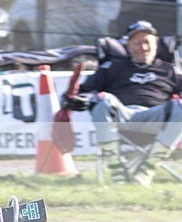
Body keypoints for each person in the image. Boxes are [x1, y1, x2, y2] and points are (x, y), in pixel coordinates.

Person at [70, 20, 182, 187]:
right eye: (137, 43)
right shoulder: (111, 67)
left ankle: (148, 168)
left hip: (157, 119)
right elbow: (84, 93)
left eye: (147, 42)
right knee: (102, 100)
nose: (143, 48)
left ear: (156, 44)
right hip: (122, 117)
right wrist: (81, 99)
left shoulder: (169, 69)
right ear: (128, 46)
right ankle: (117, 170)